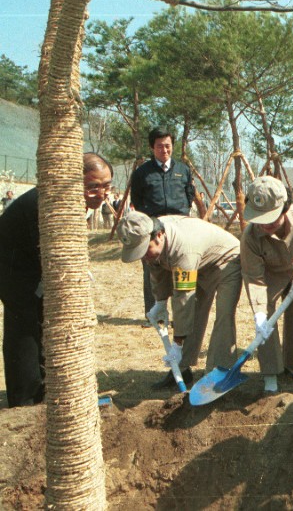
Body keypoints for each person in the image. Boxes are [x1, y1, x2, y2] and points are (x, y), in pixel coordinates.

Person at [0, 153, 113, 407]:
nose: (102, 193)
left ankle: (43, 388)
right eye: (93, 186)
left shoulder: (69, 200)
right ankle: (24, 399)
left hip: (32, 264)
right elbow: (50, 253)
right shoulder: (52, 201)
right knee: (25, 325)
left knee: (41, 321)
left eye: (107, 185)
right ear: (75, 181)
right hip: (11, 267)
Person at [118, 211, 242, 389]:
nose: (144, 257)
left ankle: (219, 372)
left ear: (159, 236)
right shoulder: (151, 240)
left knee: (224, 314)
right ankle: (182, 369)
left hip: (227, 260)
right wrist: (160, 302)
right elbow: (157, 272)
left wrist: (177, 344)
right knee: (195, 314)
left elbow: (184, 297)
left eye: (145, 251)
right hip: (200, 263)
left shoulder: (183, 248)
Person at [240, 176, 293, 394]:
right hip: (268, 276)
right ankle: (271, 372)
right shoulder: (250, 237)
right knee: (267, 323)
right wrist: (259, 312)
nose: (265, 225)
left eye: (271, 219)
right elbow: (254, 278)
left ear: (285, 208)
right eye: (260, 219)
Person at [130, 126, 195, 321]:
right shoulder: (142, 173)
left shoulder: (183, 170)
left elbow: (189, 195)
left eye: (167, 146)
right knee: (152, 271)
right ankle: (155, 314)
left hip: (180, 226)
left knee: (184, 267)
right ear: (152, 148)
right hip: (153, 226)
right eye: (160, 147)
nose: (164, 150)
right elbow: (137, 200)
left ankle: (182, 314)